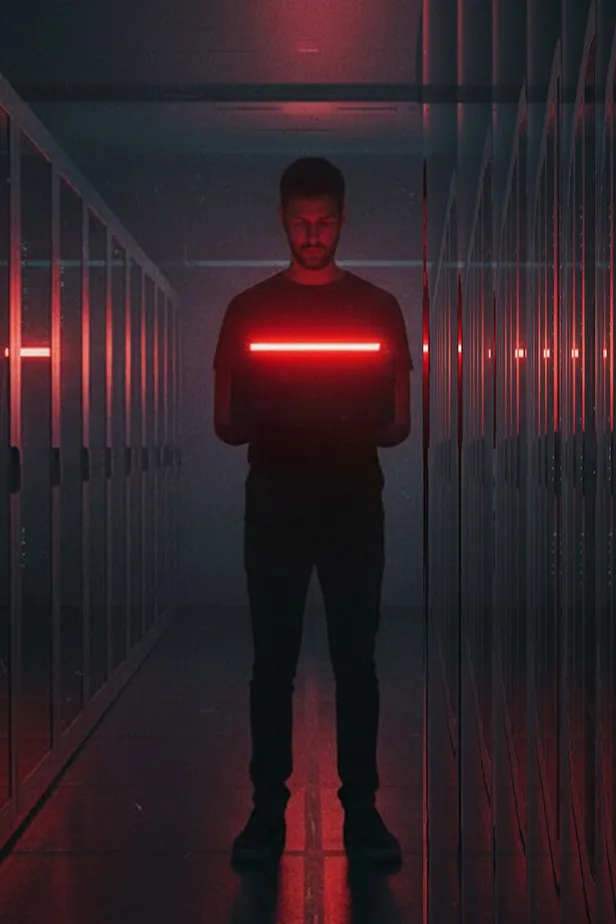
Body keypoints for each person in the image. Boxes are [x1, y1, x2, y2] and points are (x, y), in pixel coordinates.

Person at [213, 157, 413, 866]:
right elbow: (224, 421)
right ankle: (272, 812)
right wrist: (323, 415)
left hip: (348, 506)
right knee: (276, 664)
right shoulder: (248, 310)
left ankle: (355, 812)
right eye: (301, 221)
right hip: (280, 507)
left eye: (324, 220)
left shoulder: (377, 308)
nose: (312, 234)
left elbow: (400, 421)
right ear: (281, 218)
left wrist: (302, 414)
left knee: (354, 663)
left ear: (343, 218)